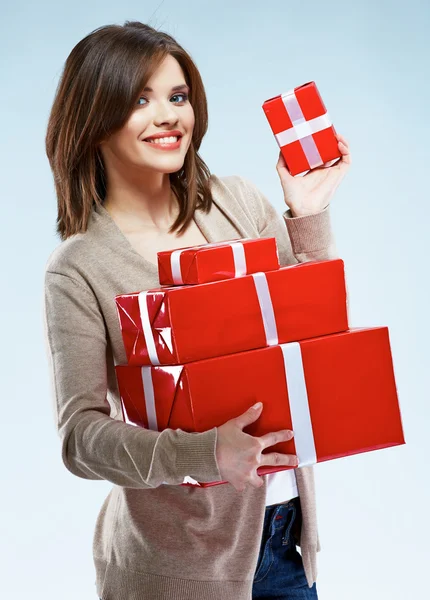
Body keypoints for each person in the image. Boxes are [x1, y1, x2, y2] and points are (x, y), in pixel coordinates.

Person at [43, 20, 351, 600]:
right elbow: (80, 437)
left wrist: (307, 213)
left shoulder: (237, 202)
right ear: (94, 118)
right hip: (173, 567)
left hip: (286, 542)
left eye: (178, 96)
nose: (169, 116)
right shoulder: (80, 266)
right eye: (142, 99)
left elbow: (314, 338)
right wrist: (201, 453)